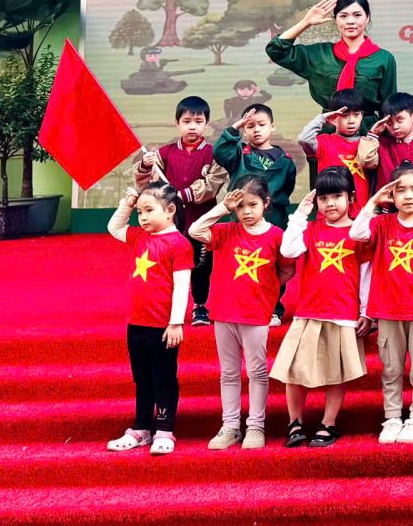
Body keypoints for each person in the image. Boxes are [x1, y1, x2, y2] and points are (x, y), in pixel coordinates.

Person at [352, 163, 413, 444]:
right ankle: (392, 417)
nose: (407, 196)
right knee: (391, 368)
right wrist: (373, 202)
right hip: (387, 310)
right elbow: (356, 233)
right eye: (400, 190)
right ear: (391, 195)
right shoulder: (381, 225)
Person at [273, 169, 368, 448]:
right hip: (309, 311)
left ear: (350, 197)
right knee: (295, 371)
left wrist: (366, 311)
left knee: (336, 373)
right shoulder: (312, 228)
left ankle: (329, 423)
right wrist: (300, 216)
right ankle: (294, 422)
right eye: (323, 198)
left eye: (337, 196)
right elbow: (288, 251)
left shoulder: (359, 232)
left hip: (343, 313)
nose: (330, 203)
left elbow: (367, 273)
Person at [189, 176, 283, 450]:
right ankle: (230, 426)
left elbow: (287, 269)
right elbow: (195, 230)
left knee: (257, 371)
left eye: (253, 205)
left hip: (255, 314)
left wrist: (267, 292)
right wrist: (223, 208)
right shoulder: (226, 231)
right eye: (240, 206)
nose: (247, 212)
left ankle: (256, 426)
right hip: (223, 312)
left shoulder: (276, 235)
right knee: (228, 373)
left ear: (266, 203)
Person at [106, 184, 192, 455]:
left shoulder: (179, 244)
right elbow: (114, 228)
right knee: (142, 378)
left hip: (163, 326)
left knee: (164, 377)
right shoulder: (139, 236)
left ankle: (165, 429)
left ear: (170, 210)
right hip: (137, 323)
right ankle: (141, 427)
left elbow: (182, 286)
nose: (142, 217)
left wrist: (176, 322)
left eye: (149, 210)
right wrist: (127, 203)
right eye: (140, 212)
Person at [133, 95, 217, 327]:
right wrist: (145, 165)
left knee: (201, 267)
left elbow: (213, 185)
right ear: (177, 123)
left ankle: (200, 306)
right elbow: (146, 184)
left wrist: (181, 195)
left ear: (206, 124)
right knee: (167, 265)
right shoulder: (165, 153)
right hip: (169, 223)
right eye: (186, 121)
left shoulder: (213, 154)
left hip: (201, 221)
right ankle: (165, 307)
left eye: (198, 121)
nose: (192, 127)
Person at [214, 103, 298, 323]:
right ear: (244, 130)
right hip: (242, 223)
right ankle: (238, 306)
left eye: (261, 124)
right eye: (250, 126)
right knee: (239, 265)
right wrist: (234, 128)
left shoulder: (286, 160)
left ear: (272, 126)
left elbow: (287, 187)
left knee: (272, 265)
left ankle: (273, 309)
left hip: (274, 220)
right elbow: (220, 152)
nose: (256, 130)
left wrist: (271, 207)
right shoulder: (239, 154)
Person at [267, 0, 399, 118]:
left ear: (367, 17)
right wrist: (305, 23)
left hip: (367, 129)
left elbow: (388, 107)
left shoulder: (383, 58)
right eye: (343, 16)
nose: (350, 21)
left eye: (357, 15)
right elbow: (276, 50)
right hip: (329, 128)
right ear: (335, 19)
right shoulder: (320, 54)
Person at [298, 88, 378, 209]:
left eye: (356, 115)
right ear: (334, 117)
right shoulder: (324, 142)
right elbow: (303, 139)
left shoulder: (367, 144)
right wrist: (322, 118)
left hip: (361, 212)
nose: (351, 121)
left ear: (362, 115)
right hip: (330, 212)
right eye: (345, 115)